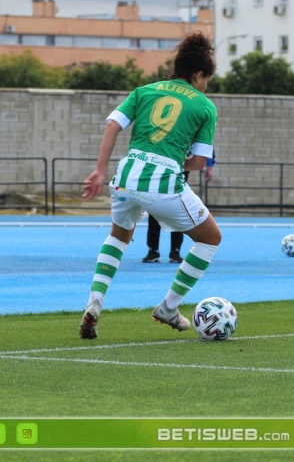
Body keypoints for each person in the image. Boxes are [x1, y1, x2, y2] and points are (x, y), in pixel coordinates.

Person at [79, 31, 222, 340]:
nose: (206, 84)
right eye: (207, 79)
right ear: (199, 74)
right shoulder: (205, 106)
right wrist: (173, 164)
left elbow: (113, 126)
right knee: (210, 238)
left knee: (118, 238)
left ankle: (94, 304)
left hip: (126, 175)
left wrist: (100, 171)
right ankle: (169, 308)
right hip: (163, 182)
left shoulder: (144, 91)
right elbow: (198, 162)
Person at [143, 157, 215, 263]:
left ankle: (175, 250)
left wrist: (209, 165)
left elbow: (205, 144)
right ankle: (153, 249)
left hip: (180, 166)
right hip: (159, 166)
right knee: (155, 206)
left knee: (177, 207)